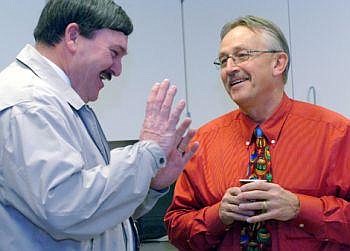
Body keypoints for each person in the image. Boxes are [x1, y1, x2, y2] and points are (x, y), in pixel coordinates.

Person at [0, 0, 199, 250]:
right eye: (114, 53)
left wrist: (151, 183)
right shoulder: (29, 104)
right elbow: (66, 208)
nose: (117, 70)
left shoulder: (57, 102)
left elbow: (97, 211)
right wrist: (147, 153)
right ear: (73, 37)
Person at [165, 15, 350, 250]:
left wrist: (299, 208)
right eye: (223, 61)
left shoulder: (336, 134)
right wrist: (217, 216)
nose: (230, 68)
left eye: (242, 55)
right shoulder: (202, 142)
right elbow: (175, 229)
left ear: (278, 63)